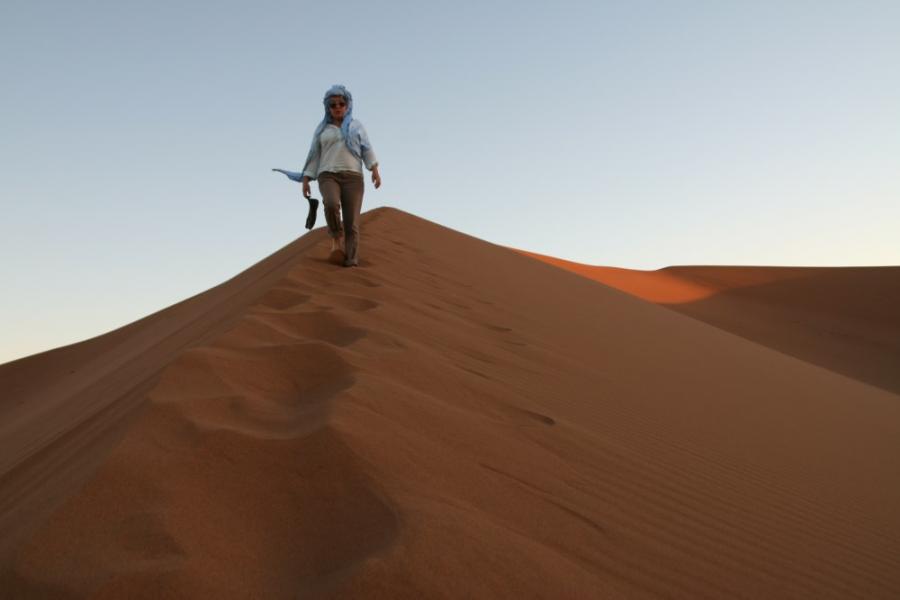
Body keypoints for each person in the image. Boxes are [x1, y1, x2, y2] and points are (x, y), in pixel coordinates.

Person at [300, 84, 381, 267]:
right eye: (333, 104)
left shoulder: (356, 126)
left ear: (348, 105)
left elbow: (366, 149)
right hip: (327, 174)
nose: (337, 107)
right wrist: (306, 179)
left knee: (352, 222)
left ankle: (351, 259)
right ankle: (337, 239)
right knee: (330, 203)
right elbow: (314, 155)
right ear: (328, 108)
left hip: (353, 177)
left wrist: (374, 170)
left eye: (341, 103)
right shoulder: (322, 130)